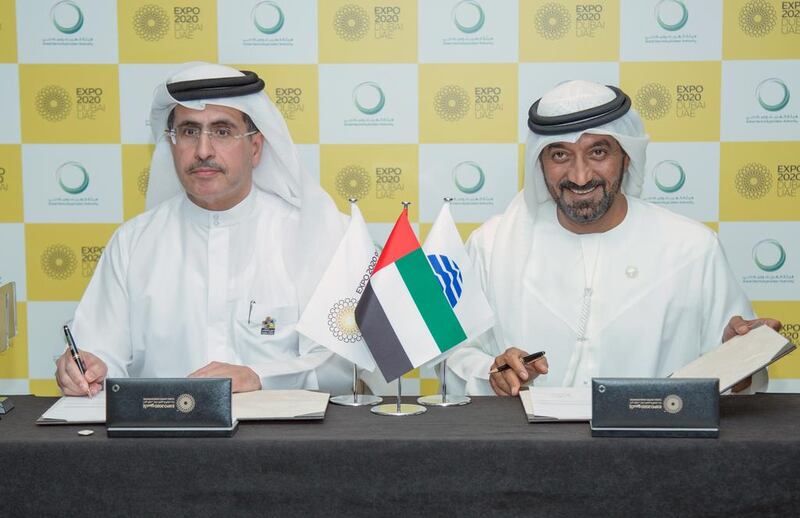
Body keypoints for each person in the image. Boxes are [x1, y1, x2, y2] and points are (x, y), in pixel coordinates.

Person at [445, 80, 782, 396]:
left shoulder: (691, 247)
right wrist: (492, 373)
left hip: (654, 451)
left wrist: (740, 358)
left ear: (627, 156)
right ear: (540, 163)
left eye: (598, 152)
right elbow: (454, 357)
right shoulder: (493, 245)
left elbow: (742, 384)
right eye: (560, 154)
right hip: (523, 451)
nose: (579, 176)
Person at [55, 63, 352, 395]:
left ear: (255, 148)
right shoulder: (134, 242)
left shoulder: (314, 235)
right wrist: (85, 369)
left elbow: (341, 367)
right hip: (161, 440)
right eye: (189, 131)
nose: (203, 150)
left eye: (223, 131)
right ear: (172, 145)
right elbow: (100, 353)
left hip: (281, 441)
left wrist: (259, 377)